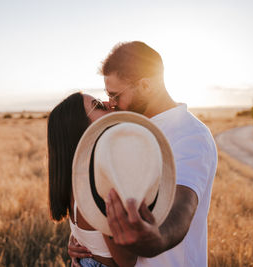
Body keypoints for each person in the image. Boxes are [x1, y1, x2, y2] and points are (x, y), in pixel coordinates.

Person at [68, 41, 218, 266]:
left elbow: (183, 205)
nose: (111, 104)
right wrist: (86, 242)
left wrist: (156, 239)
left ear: (146, 86)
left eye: (116, 95)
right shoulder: (129, 131)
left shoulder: (189, 134)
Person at [47, 92, 138, 267]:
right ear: (81, 127)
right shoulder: (100, 185)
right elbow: (128, 261)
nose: (107, 103)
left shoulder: (76, 176)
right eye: (98, 104)